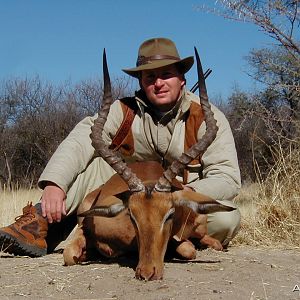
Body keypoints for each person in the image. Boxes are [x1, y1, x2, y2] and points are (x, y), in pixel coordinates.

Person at [0, 37, 241, 257]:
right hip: (131, 199)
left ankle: (152, 243)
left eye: (166, 74)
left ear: (182, 79)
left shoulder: (207, 117)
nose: (158, 83)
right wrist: (54, 184)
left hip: (176, 202)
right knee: (90, 164)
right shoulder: (123, 111)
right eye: (150, 77)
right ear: (141, 82)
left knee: (227, 219)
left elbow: (227, 177)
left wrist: (184, 191)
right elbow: (82, 138)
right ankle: (39, 224)